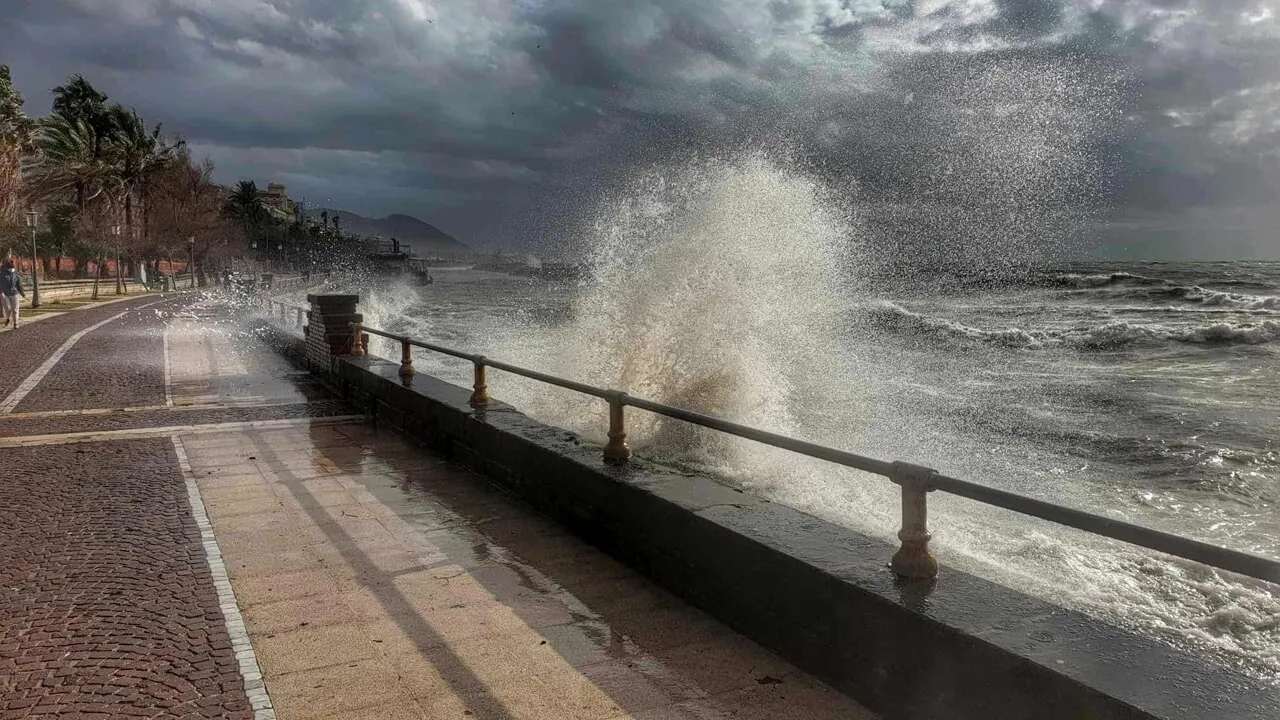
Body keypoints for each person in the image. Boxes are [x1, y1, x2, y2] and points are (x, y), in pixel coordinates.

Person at [0, 259, 26, 329]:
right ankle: (8, 318)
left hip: (15, 293)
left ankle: (15, 323)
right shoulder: (2, 274)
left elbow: (19, 284)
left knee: (15, 309)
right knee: (8, 309)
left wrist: (22, 293)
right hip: (5, 294)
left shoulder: (15, 274)